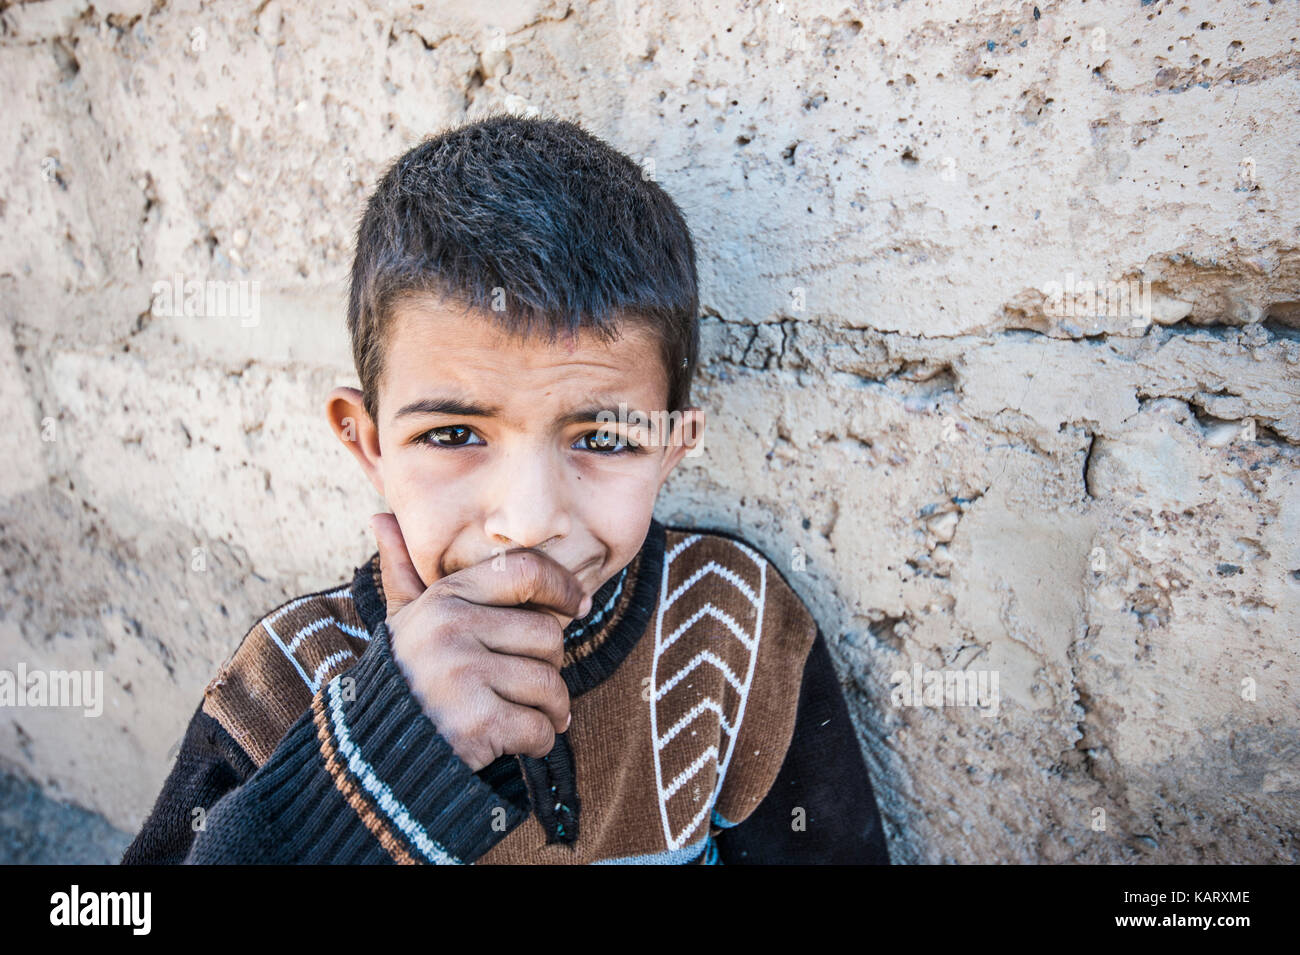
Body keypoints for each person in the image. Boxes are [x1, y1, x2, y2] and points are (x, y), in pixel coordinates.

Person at [121, 114, 890, 864]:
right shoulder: (292, 681)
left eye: (603, 439)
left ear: (670, 450)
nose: (526, 523)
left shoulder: (730, 624)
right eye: (454, 435)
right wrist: (381, 754)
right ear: (369, 442)